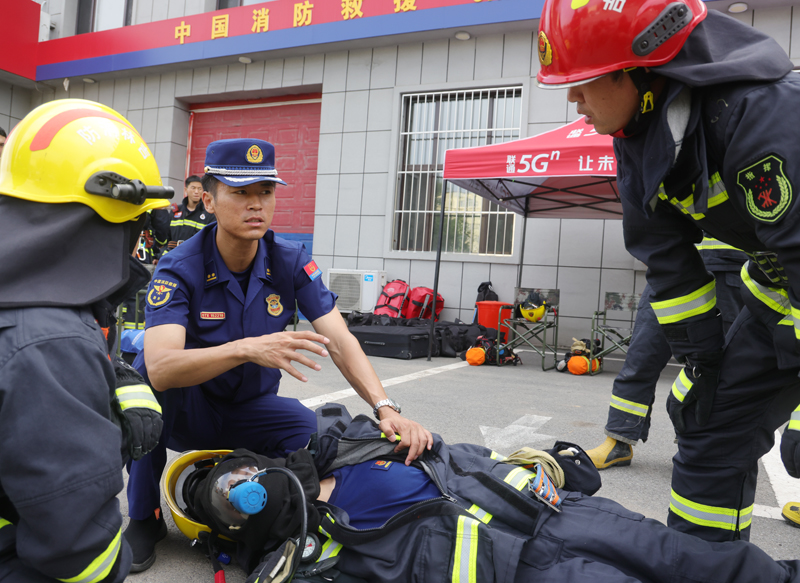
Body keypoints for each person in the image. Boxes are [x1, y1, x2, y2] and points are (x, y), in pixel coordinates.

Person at [536, 0, 800, 542]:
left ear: (646, 72)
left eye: (584, 81)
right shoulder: (639, 137)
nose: (571, 98)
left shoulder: (760, 114)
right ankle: (703, 565)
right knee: (710, 422)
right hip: (779, 291)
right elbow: (670, 265)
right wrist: (704, 362)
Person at [124, 138, 433, 571]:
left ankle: (277, 507)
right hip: (187, 411)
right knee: (143, 386)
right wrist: (247, 348)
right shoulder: (180, 265)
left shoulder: (289, 260)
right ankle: (145, 516)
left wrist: (385, 408)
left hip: (249, 409)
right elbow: (160, 367)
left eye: (265, 192)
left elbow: (341, 341)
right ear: (209, 201)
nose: (256, 205)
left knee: (319, 431)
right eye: (241, 193)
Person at [165, 403, 800, 583]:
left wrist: (546, 464)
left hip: (550, 512)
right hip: (516, 569)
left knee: (695, 559)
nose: (232, 489)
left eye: (223, 473)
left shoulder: (347, 440)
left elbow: (451, 451)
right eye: (209, 499)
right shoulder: (300, 560)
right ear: (223, 531)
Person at [0, 99, 169, 582]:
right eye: (136, 225)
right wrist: (107, 434)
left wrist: (107, 376)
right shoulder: (50, 343)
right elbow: (81, 555)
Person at [588, 237, 747, 469]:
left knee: (711, 367)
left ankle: (693, 445)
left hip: (726, 271)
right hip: (671, 269)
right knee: (641, 357)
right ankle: (618, 440)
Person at [165, 174, 215, 252]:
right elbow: (166, 238)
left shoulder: (209, 214)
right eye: (193, 188)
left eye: (199, 189)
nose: (196, 192)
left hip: (195, 257)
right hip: (173, 255)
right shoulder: (175, 211)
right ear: (186, 190)